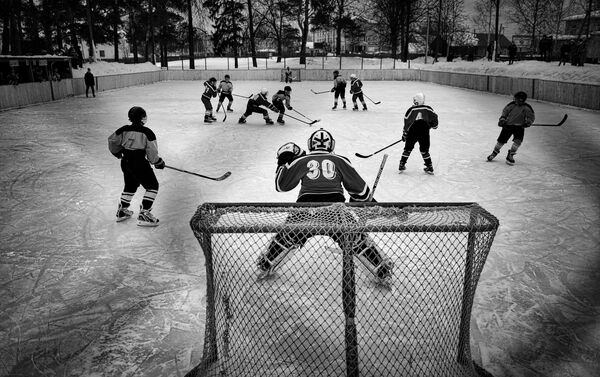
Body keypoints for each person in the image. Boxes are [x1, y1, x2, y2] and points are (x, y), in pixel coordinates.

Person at [255, 128, 393, 282]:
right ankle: (381, 269)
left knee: (287, 235)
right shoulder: (340, 160)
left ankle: (266, 264)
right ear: (331, 145)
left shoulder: (302, 160)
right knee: (355, 238)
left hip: (305, 209)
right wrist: (363, 201)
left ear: (310, 145)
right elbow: (362, 192)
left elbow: (281, 186)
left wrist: (282, 161)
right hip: (335, 209)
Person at [108, 106, 165, 226]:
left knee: (130, 185)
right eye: (144, 116)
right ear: (141, 118)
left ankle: (122, 211)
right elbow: (152, 153)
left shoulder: (123, 129)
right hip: (139, 162)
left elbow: (112, 140)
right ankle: (144, 213)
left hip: (126, 162)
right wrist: (158, 162)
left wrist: (117, 153)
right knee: (152, 186)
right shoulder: (147, 132)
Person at [486, 91, 535, 165]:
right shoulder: (511, 105)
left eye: (516, 99)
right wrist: (502, 119)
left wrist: (528, 122)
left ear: (521, 100)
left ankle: (511, 155)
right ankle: (494, 153)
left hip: (519, 127)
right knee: (501, 141)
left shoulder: (527, 107)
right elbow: (505, 112)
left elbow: (531, 117)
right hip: (508, 126)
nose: (515, 100)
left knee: (518, 141)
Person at [398, 93, 438, 175]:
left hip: (413, 132)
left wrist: (404, 134)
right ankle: (429, 166)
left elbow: (406, 122)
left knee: (408, 149)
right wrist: (434, 125)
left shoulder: (411, 110)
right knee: (424, 150)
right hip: (424, 131)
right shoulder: (428, 108)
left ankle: (402, 164)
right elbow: (434, 117)